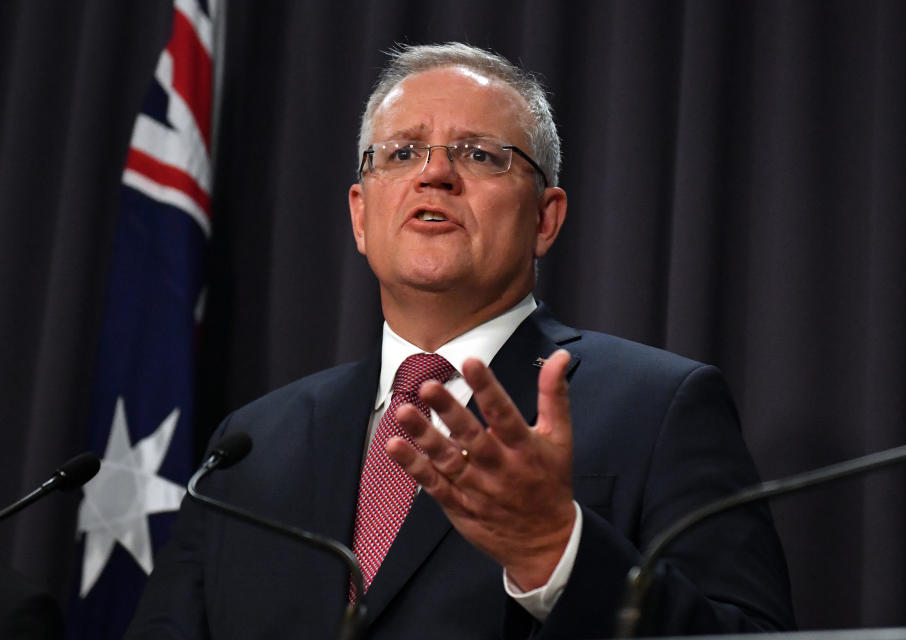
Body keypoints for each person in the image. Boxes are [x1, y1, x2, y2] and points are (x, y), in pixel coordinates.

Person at [127, 42, 794, 639]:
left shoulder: (660, 407)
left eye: (479, 154)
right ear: (361, 215)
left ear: (545, 217)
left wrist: (556, 550)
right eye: (402, 152)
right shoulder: (248, 447)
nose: (435, 174)